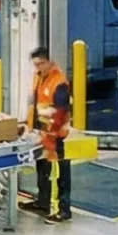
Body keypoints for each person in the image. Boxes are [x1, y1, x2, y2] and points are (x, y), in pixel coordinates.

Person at [22, 47, 73, 223]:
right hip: (41, 133)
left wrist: (52, 134)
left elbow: (62, 112)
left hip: (55, 136)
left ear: (49, 61)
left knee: (58, 172)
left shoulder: (59, 83)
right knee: (42, 169)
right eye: (36, 64)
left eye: (41, 63)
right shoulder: (39, 77)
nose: (39, 67)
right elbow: (36, 104)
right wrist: (30, 126)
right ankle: (43, 202)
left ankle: (63, 209)